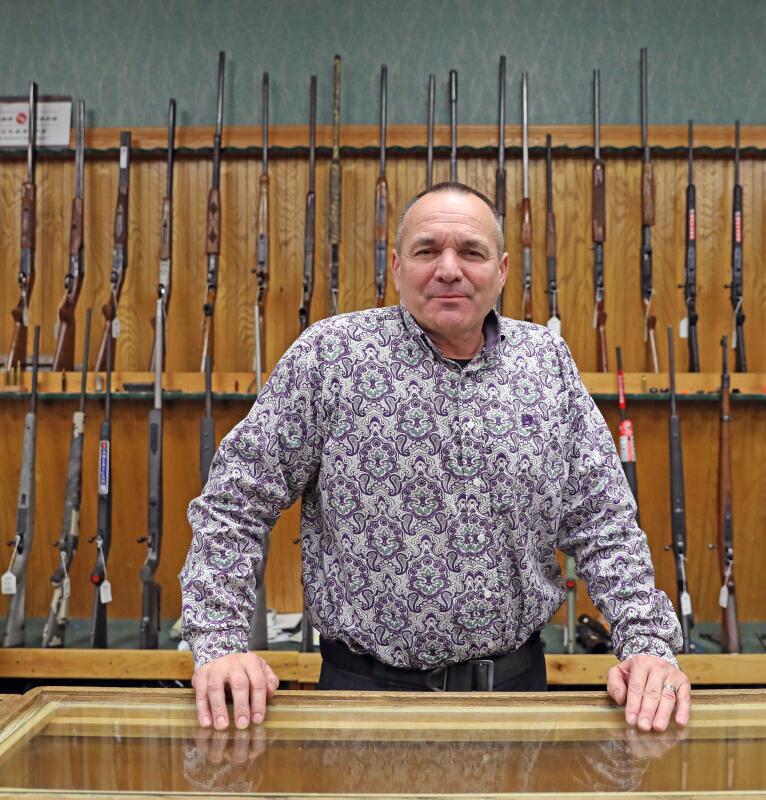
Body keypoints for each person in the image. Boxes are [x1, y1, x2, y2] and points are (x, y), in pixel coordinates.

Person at [180, 182, 690, 733]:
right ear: (396, 267)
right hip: (363, 710)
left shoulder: (547, 365)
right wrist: (219, 643)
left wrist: (646, 645)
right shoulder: (331, 357)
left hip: (516, 710)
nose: (449, 269)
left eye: (471, 252)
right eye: (428, 251)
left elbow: (604, 523)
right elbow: (234, 502)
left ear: (501, 269)